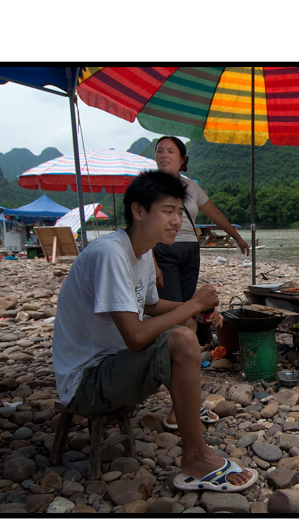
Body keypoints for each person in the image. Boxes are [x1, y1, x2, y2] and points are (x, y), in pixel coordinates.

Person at [52, 170, 257, 493]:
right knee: (181, 338)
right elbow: (135, 336)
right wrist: (191, 305)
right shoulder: (110, 253)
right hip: (86, 382)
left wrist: (196, 306)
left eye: (179, 212)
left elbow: (149, 305)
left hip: (113, 364)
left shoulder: (143, 251)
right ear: (138, 211)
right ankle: (196, 456)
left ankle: (188, 431)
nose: (177, 220)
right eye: (167, 211)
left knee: (184, 328)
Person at [151, 136, 250, 430]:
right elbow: (139, 227)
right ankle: (179, 403)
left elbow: (214, 213)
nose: (164, 155)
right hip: (162, 252)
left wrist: (236, 236)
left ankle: (183, 394)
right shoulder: (150, 187)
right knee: (175, 321)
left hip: (189, 253)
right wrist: (152, 262)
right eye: (159, 151)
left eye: (171, 151)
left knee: (186, 315)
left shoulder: (190, 187)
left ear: (183, 159)